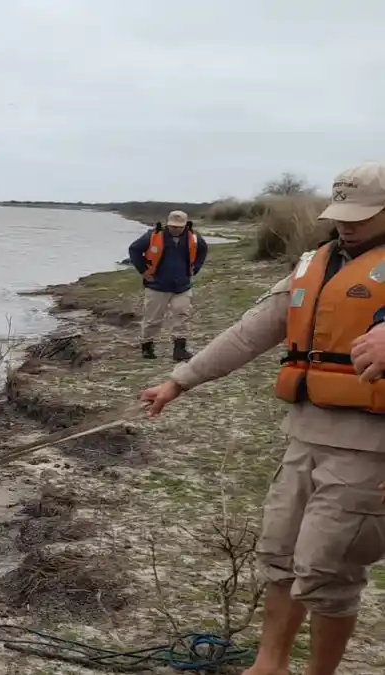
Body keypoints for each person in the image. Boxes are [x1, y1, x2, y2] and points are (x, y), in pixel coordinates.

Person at [139, 161, 385, 675]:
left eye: (361, 216)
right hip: (305, 432)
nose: (347, 225)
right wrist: (178, 381)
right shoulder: (314, 264)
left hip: (370, 448)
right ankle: (268, 665)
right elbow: (250, 332)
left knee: (328, 569)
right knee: (279, 554)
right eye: (341, 214)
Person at [128, 209, 209, 361]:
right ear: (167, 224)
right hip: (157, 285)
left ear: (186, 225)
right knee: (153, 318)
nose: (175, 229)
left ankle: (180, 350)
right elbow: (134, 250)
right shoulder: (152, 236)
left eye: (179, 226)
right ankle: (147, 347)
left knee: (182, 316)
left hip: (182, 286)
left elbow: (203, 251)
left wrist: (196, 268)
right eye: (173, 226)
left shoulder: (194, 238)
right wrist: (143, 271)